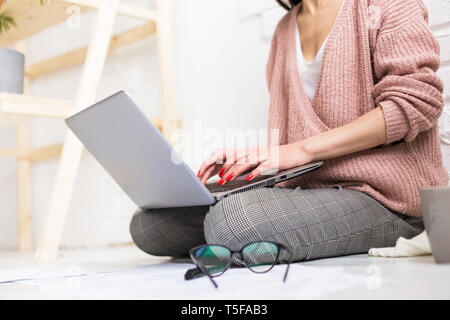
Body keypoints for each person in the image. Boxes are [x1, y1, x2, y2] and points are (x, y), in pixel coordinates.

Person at [130, 0, 447, 262]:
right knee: (151, 225)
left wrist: (299, 150)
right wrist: (252, 158)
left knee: (233, 222)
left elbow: (415, 104)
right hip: (312, 190)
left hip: (387, 199)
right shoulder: (285, 30)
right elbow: (289, 138)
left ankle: (237, 236)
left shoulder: (384, 4)